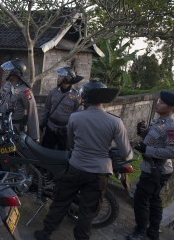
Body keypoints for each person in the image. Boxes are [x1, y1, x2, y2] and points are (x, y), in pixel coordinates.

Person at [34, 79, 133, 240]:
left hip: (75, 167)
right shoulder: (115, 122)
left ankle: (45, 233)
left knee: (61, 201)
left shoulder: (75, 118)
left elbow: (70, 143)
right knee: (88, 212)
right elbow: (125, 153)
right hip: (99, 173)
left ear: (84, 97)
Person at [126, 91, 174, 240]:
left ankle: (140, 231)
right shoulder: (160, 121)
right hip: (151, 168)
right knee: (154, 200)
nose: (158, 103)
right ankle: (153, 232)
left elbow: (172, 152)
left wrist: (147, 150)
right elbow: (155, 140)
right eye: (159, 101)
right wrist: (143, 133)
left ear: (171, 108)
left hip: (156, 170)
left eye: (162, 102)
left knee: (141, 200)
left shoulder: (172, 127)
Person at [40, 66, 83, 150]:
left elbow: (78, 115)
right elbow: (46, 109)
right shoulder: (53, 92)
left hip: (65, 131)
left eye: (61, 76)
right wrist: (41, 124)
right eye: (58, 76)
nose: (58, 78)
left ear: (68, 78)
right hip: (50, 128)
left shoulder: (76, 96)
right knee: (45, 151)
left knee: (62, 154)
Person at [0, 58, 39, 142]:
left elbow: (32, 113)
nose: (6, 72)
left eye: (9, 70)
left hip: (15, 129)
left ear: (15, 72)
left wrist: (34, 137)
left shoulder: (25, 91)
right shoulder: (7, 85)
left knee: (14, 154)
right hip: (3, 126)